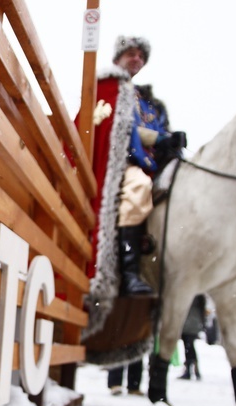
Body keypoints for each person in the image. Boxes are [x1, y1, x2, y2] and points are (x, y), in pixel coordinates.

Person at [81, 35, 187, 300]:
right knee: (137, 185)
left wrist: (172, 140)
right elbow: (122, 129)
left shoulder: (149, 101)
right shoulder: (111, 89)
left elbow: (157, 129)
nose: (136, 58)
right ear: (118, 57)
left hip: (154, 163)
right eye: (131, 53)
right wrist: (158, 139)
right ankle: (129, 273)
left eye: (141, 55)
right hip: (126, 162)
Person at [179, 295, 206, 380]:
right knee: (189, 347)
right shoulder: (199, 297)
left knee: (189, 347)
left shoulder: (192, 295)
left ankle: (190, 370)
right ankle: (194, 370)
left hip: (189, 324)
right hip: (192, 323)